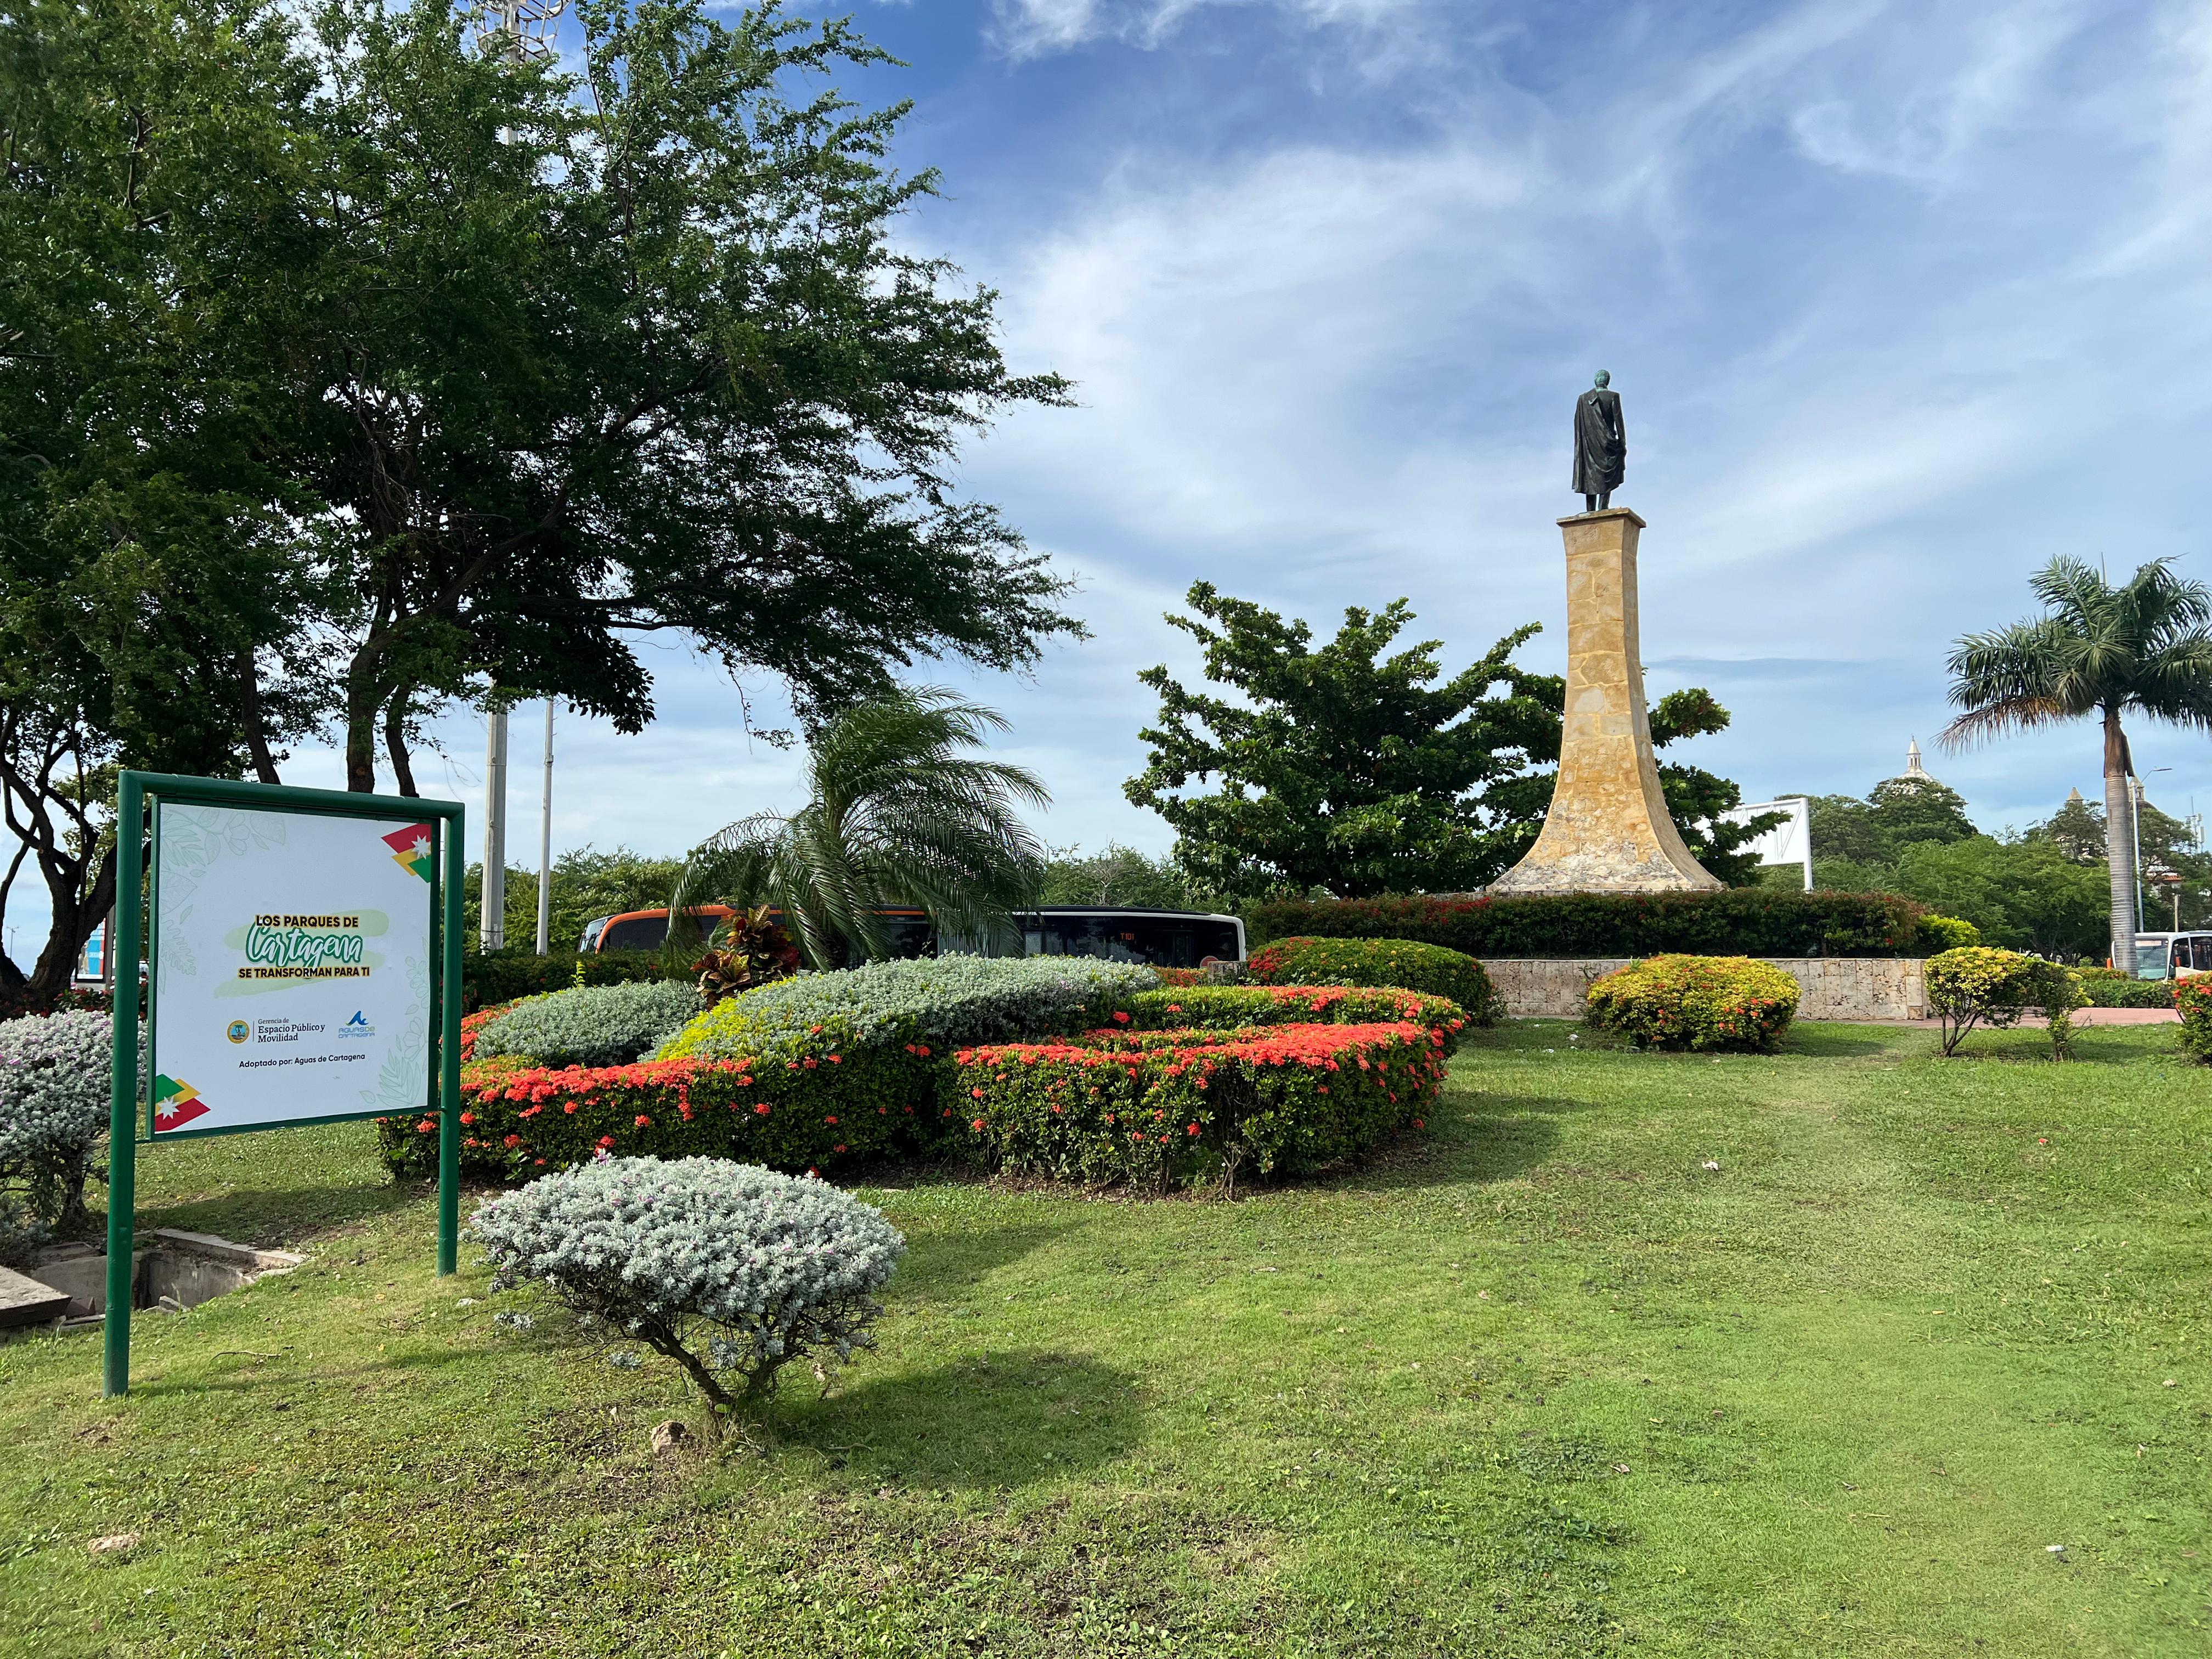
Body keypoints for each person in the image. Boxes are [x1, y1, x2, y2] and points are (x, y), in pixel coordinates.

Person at [1573, 370, 1626, 511]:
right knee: (1607, 474)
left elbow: (1577, 424)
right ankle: (1603, 507)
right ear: (1607, 381)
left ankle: (1590, 510)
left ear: (1596, 381)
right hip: (1608, 444)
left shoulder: (1583, 399)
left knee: (1589, 474)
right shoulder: (1613, 397)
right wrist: (1622, 444)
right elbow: (1619, 423)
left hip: (1588, 444)